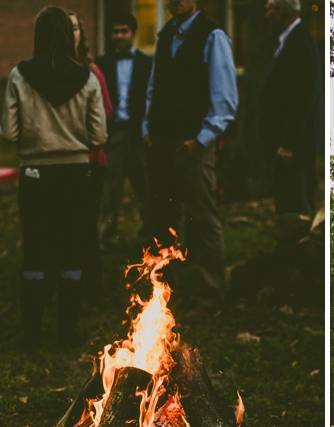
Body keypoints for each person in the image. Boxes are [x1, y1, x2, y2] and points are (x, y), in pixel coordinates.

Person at [0, 6, 107, 350]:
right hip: (76, 174)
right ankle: (67, 332)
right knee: (72, 251)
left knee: (35, 250)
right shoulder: (88, 77)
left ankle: (31, 334)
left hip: (35, 174)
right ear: (67, 34)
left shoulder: (19, 76)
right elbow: (99, 137)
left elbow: (8, 132)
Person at [143, 0, 237, 310]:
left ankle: (212, 292)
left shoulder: (213, 36)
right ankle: (164, 290)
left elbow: (225, 100)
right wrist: (147, 126)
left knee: (202, 217)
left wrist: (200, 141)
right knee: (161, 216)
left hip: (193, 143)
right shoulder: (165, 34)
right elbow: (154, 85)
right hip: (160, 142)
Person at [95, 12, 153, 250]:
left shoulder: (148, 63)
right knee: (111, 191)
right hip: (114, 134)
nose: (119, 36)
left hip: (140, 133)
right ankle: (106, 238)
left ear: (134, 34)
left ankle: (148, 236)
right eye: (115, 32)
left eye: (124, 31)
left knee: (145, 188)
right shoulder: (101, 63)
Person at [68, 10, 114, 300]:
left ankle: (91, 286)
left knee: (86, 226)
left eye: (75, 27)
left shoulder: (92, 71)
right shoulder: (42, 72)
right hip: (58, 162)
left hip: (90, 160)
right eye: (65, 28)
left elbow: (107, 111)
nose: (71, 33)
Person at [261, 0, 321, 217]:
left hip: (295, 147)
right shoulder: (290, 41)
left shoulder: (299, 42)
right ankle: (289, 246)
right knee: (288, 203)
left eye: (269, 9)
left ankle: (296, 249)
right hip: (289, 143)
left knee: (295, 208)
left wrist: (289, 143)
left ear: (281, 11)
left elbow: (303, 96)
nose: (266, 14)